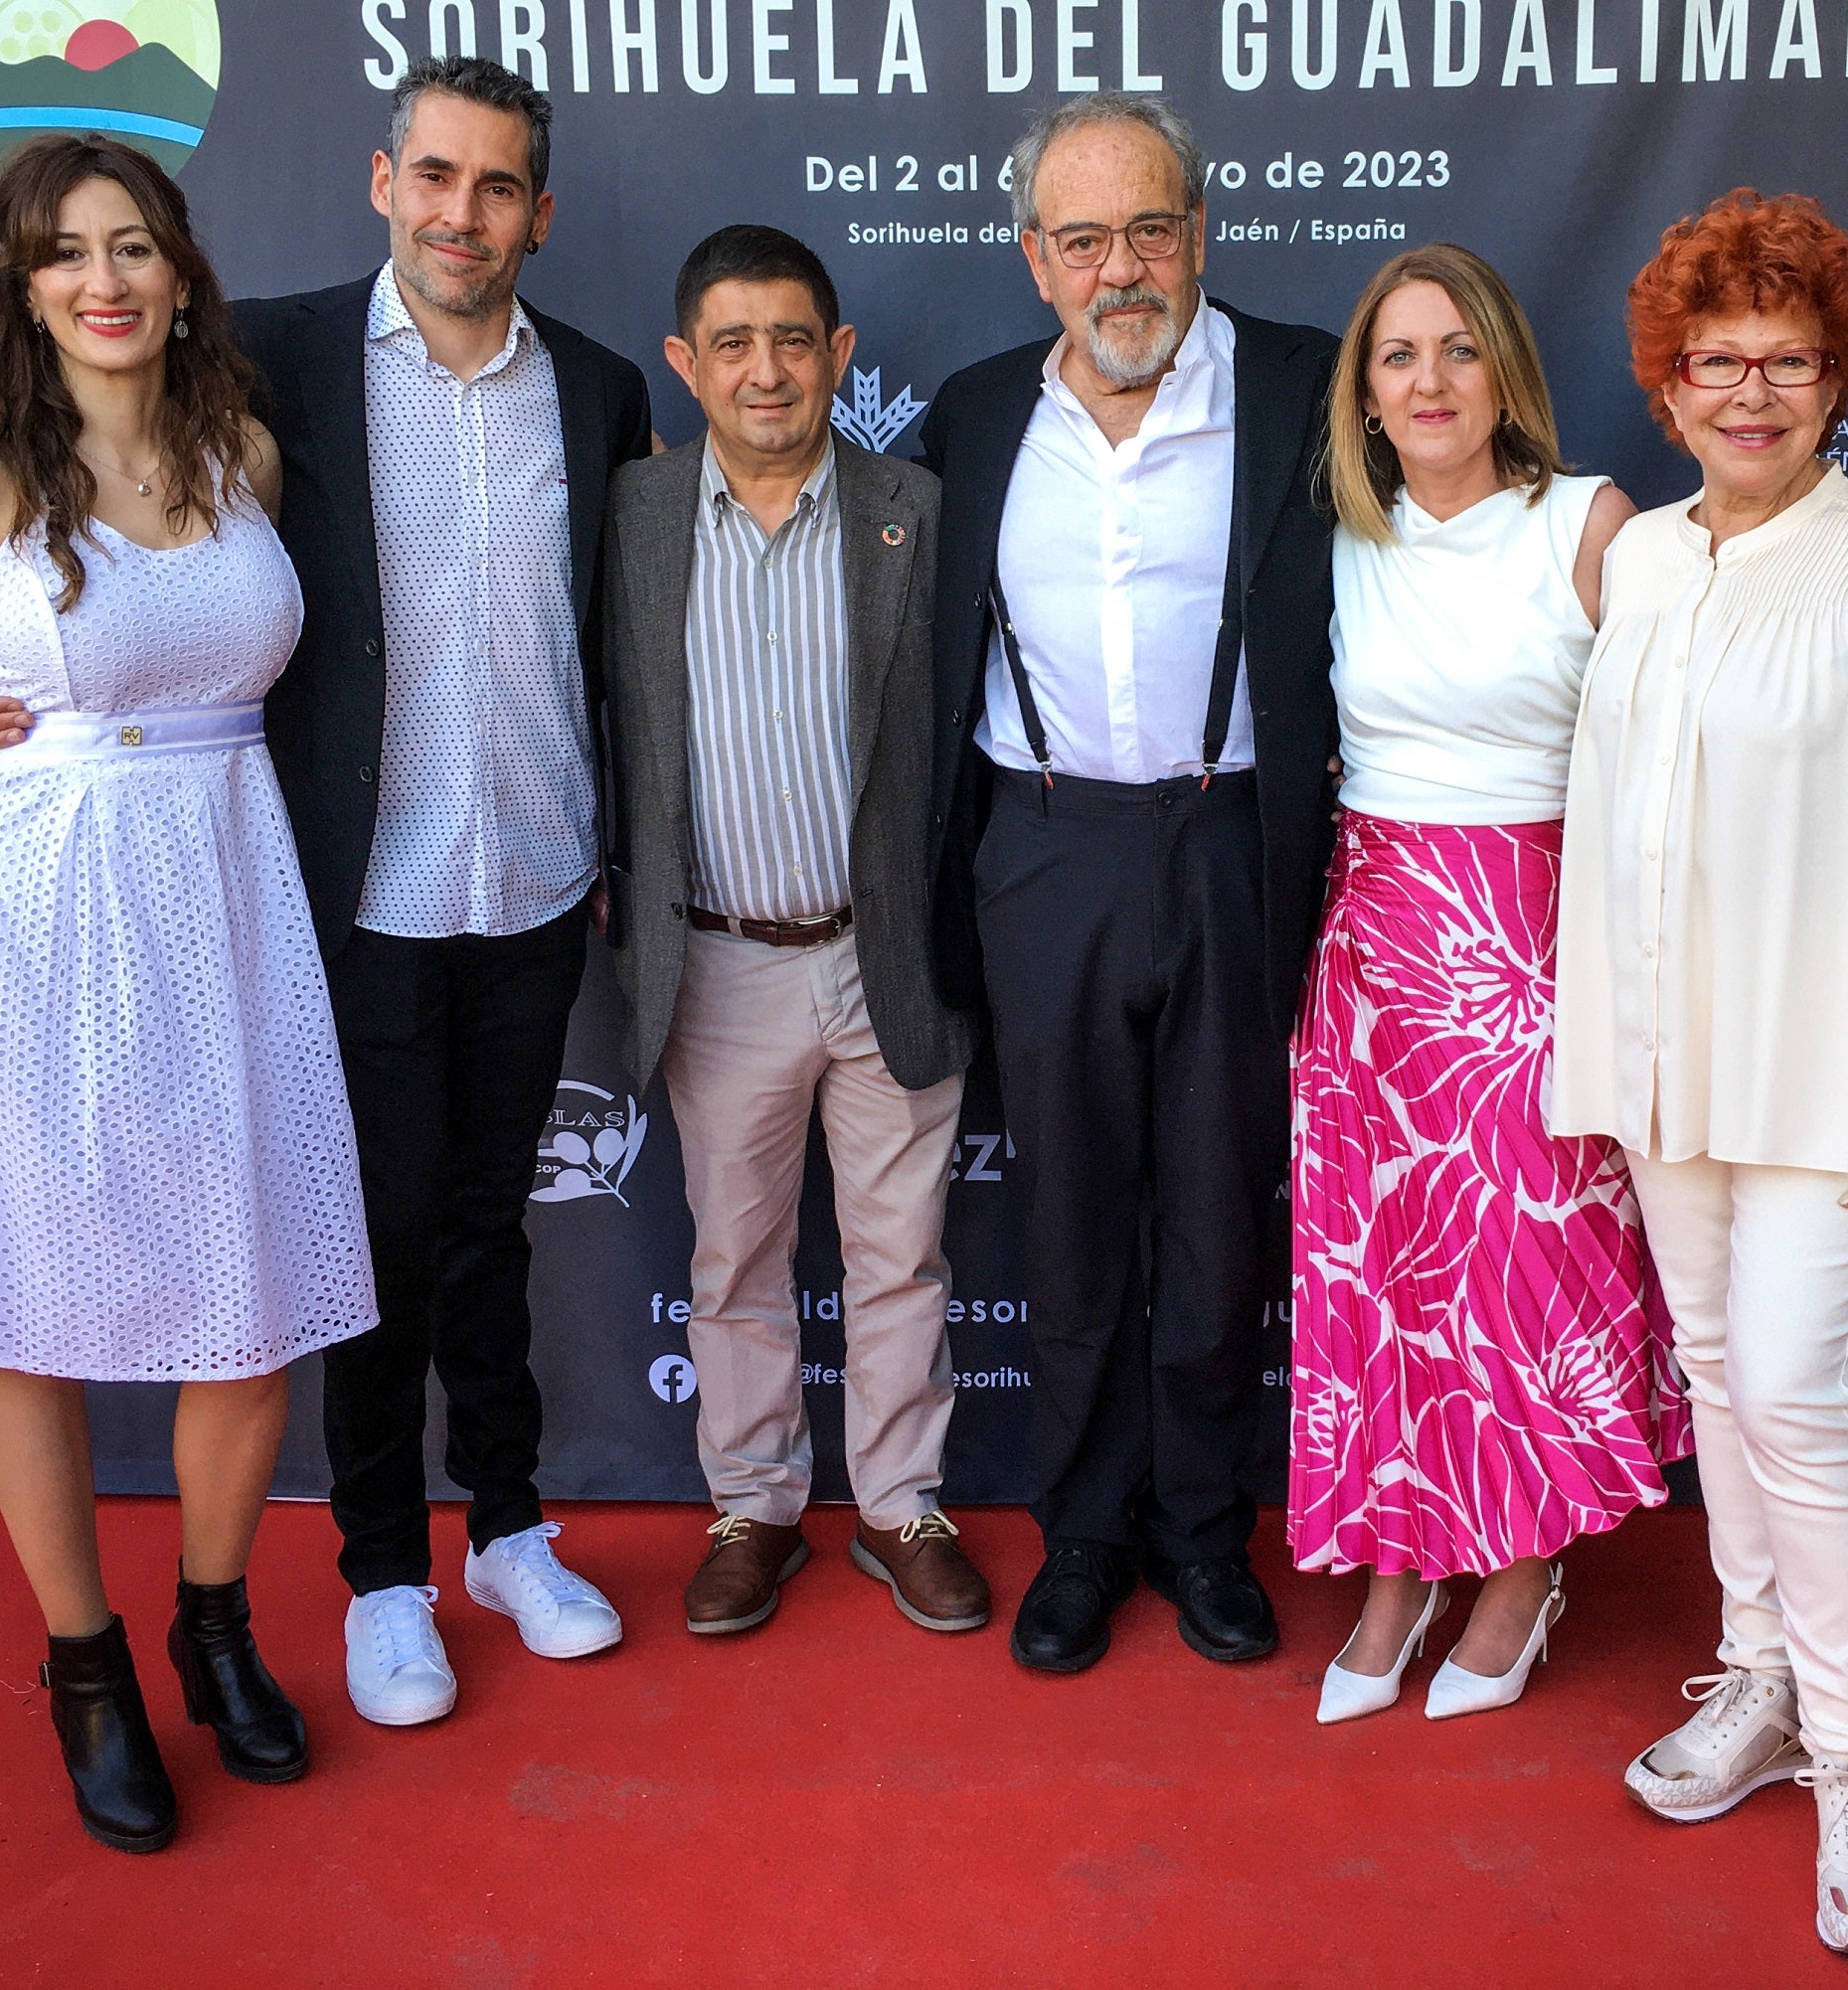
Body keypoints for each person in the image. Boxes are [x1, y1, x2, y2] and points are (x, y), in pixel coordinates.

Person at [0, 58, 656, 1729]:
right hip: (343, 893)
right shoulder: (277, 372)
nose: (462, 213)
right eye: (436, 176)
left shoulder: (603, 390)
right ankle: (388, 1568)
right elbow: (91, 562)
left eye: (497, 186)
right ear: (381, 177)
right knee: (375, 1246)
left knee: (493, 1228)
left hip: (538, 878)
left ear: (537, 211)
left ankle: (512, 1531)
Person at [0, 134, 378, 1853]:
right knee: (32, 1289)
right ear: (19, 286)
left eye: (136, 246)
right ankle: (86, 1667)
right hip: (33, 910)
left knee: (256, 1266)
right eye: (68, 254)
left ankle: (212, 1622)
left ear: (179, 272)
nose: (105, 279)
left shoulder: (244, 453)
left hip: (229, 892)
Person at [1552, 188, 1848, 1960]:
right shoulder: (1647, 561)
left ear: (1838, 379)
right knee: (1716, 1368)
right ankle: (1756, 1675)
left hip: (1835, 1071)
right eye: (1717, 361)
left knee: (1805, 1402)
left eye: (1790, 361)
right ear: (1666, 385)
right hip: (1670, 1068)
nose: (1753, 392)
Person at [919, 92, 1340, 1675]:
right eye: (1083, 237)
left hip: (1234, 836)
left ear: (1201, 235)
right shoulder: (969, 417)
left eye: (1150, 228)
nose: (1122, 268)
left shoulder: (1306, 387)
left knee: (1223, 1215)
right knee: (1073, 1214)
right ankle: (1084, 1531)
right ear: (1035, 260)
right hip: (1041, 845)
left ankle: (1201, 1531)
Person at [1291, 243, 1689, 1725]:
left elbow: (1669, 761)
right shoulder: (1343, 533)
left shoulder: (1589, 524)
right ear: (1366, 394)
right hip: (1373, 945)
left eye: (1459, 349)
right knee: (1387, 1271)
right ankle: (1398, 1564)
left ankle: (1521, 1565)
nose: (1431, 380)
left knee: (1526, 1268)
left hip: (1533, 940)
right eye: (1399, 356)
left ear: (1504, 368)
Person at [603, 225, 983, 1635]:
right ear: (685, 363)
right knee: (735, 1258)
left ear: (840, 354)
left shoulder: (918, 510)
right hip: (716, 961)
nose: (766, 371)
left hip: (884, 951)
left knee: (902, 1256)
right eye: (733, 342)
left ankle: (900, 1507)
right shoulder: (632, 517)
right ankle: (755, 1507)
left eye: (793, 340)